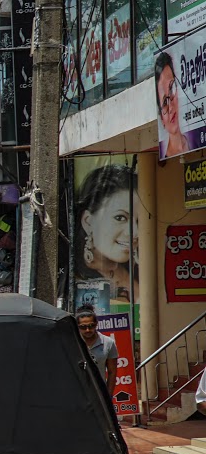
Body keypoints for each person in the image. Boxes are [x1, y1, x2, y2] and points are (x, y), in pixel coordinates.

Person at [74, 164, 136, 304]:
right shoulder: (76, 277)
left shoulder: (140, 273)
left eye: (139, 220)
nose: (135, 232)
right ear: (88, 221)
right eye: (120, 217)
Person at [157, 52, 191, 161]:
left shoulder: (193, 141)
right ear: (161, 118)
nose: (171, 106)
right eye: (164, 103)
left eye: (172, 89)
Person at [75, 305, 118, 389]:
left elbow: (112, 372)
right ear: (77, 326)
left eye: (91, 326)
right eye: (83, 327)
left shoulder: (108, 343)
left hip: (98, 393)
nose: (88, 330)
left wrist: (108, 396)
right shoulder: (71, 343)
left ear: (96, 324)